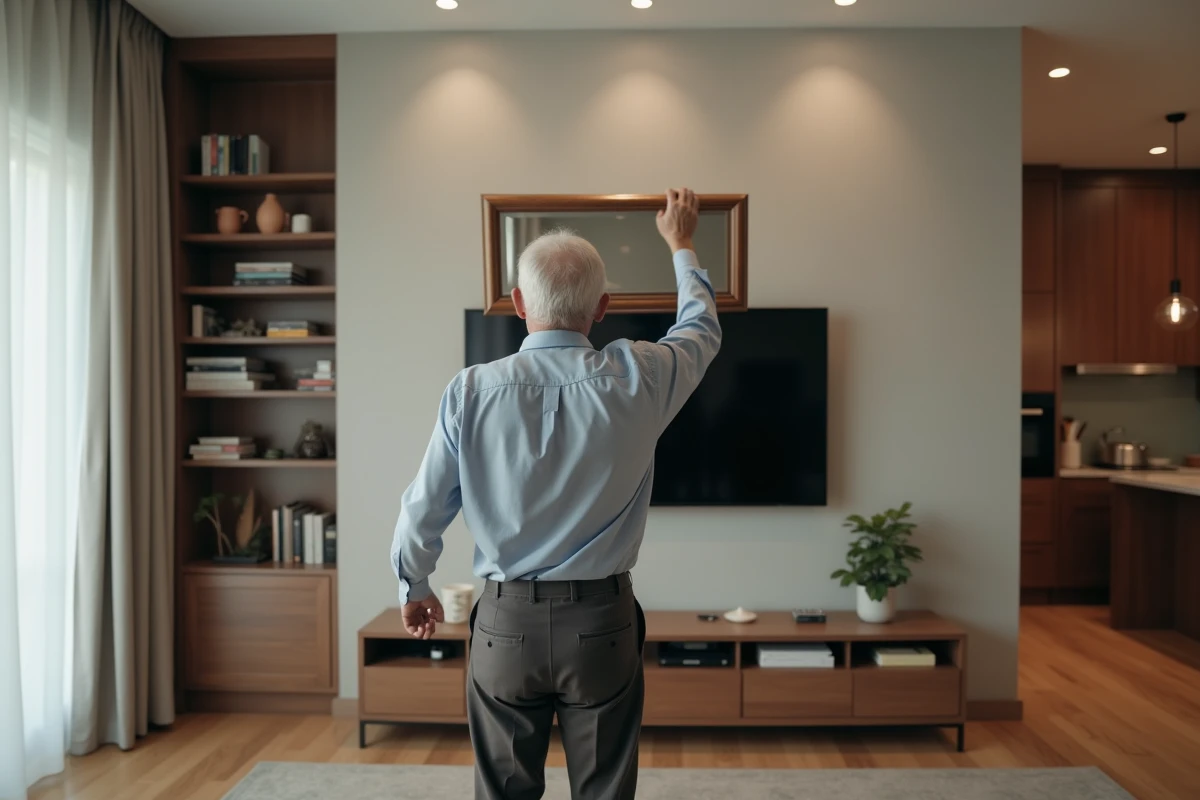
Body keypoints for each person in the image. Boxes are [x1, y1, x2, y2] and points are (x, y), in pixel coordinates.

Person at [390, 187, 721, 799]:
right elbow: (700, 329)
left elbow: (423, 508)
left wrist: (414, 585)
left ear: (517, 303)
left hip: (503, 625)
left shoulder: (470, 390)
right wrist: (681, 243)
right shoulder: (638, 375)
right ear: (602, 307)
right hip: (602, 624)